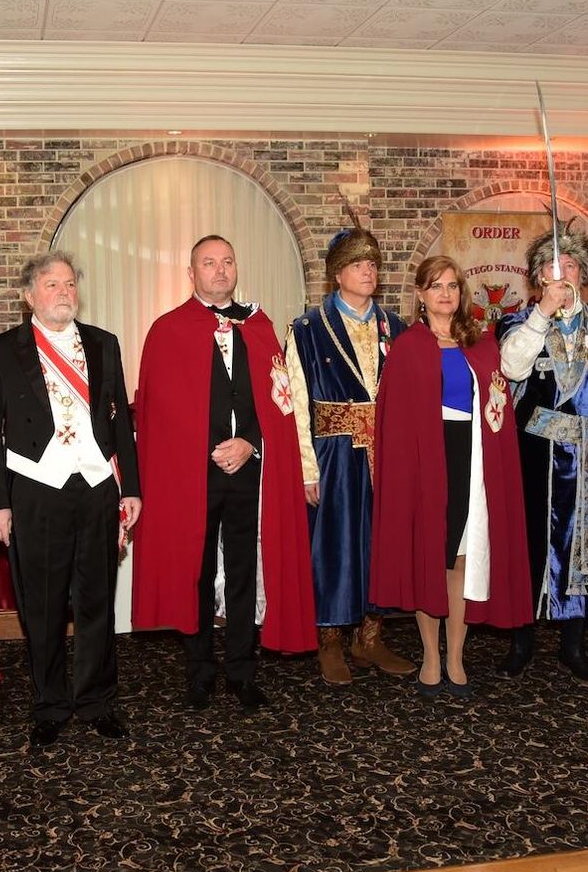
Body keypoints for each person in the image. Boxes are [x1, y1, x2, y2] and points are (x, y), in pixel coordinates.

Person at [131, 235, 316, 711]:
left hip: (248, 469)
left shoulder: (259, 326)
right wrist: (200, 449)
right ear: (191, 274)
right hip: (191, 474)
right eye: (209, 263)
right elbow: (158, 412)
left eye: (227, 262)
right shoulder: (168, 330)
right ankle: (200, 670)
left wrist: (250, 442)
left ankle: (241, 669)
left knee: (243, 568)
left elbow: (277, 401)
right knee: (196, 570)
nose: (220, 270)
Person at [0, 253, 141, 747]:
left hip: (96, 486)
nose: (64, 292)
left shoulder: (104, 343)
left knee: (97, 601)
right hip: (34, 487)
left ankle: (96, 701)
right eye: (52, 285)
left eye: (70, 283)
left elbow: (121, 422)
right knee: (42, 605)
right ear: (29, 296)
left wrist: (131, 487)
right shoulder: (2, 350)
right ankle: (49, 704)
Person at [370, 255, 533, 698]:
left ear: (461, 294)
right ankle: (430, 655)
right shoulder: (407, 347)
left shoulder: (481, 343)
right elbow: (394, 420)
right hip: (423, 459)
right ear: (420, 295)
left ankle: (456, 656)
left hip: (471, 455)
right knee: (430, 555)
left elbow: (498, 403)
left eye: (452, 286)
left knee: (462, 555)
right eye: (436, 286)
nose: (445, 294)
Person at [495, 227, 588, 681]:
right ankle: (521, 641)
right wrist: (542, 313)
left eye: (570, 267)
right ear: (539, 278)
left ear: (583, 274)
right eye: (553, 269)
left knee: (582, 551)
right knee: (529, 543)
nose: (563, 276)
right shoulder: (519, 323)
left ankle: (573, 645)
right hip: (532, 453)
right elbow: (511, 367)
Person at [285, 227, 415, 684]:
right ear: (337, 274)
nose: (368, 272)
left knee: (380, 545)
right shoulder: (307, 330)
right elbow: (297, 403)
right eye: (358, 265)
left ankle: (370, 639)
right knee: (334, 546)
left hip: (386, 453)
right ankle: (330, 641)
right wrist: (307, 468)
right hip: (334, 454)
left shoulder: (397, 329)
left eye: (373, 265)